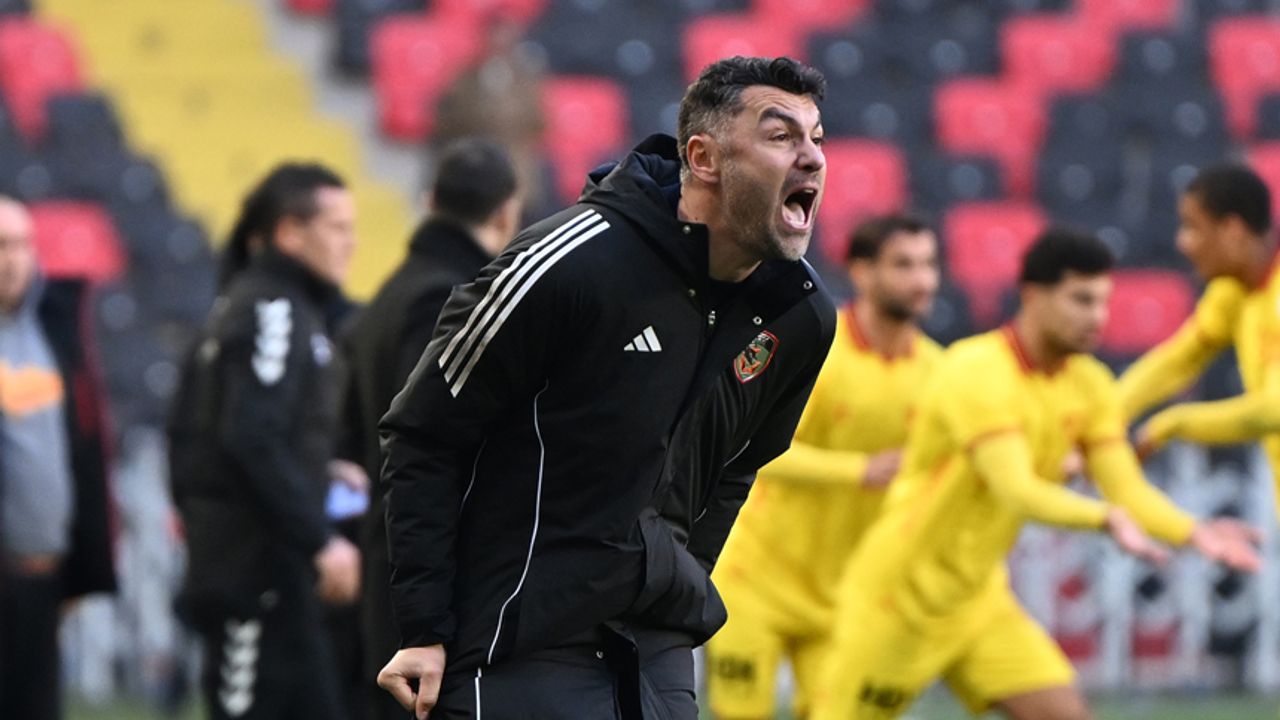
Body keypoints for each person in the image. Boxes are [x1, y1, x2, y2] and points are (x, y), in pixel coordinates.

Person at [376, 56, 836, 719]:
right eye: (780, 135)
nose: (812, 158)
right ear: (703, 158)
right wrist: (423, 626)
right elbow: (424, 436)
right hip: (519, 638)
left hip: (656, 646)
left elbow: (735, 468)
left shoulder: (800, 315)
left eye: (816, 138)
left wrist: (677, 572)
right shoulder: (566, 265)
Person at [809, 229, 1262, 720]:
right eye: (1081, 300)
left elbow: (1126, 488)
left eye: (1103, 302)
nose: (1097, 317)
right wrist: (1102, 518)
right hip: (896, 598)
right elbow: (1018, 490)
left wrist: (1192, 532)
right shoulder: (976, 370)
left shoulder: (1090, 385)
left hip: (978, 602)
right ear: (1032, 296)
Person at [706, 214, 942, 719]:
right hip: (757, 579)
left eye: (929, 265)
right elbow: (753, 448)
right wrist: (860, 471)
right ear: (862, 272)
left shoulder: (938, 373)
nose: (922, 280)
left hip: (844, 595)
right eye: (904, 265)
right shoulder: (817, 346)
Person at [167, 163, 362, 720]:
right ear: (289, 233)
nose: (350, 243)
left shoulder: (265, 305)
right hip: (254, 580)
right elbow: (248, 437)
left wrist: (319, 467)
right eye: (337, 227)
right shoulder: (271, 311)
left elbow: (226, 429)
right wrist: (320, 540)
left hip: (272, 578)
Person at [340, 137, 521, 720]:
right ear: (506, 213)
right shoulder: (450, 301)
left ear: (429, 201)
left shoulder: (391, 293)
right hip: (429, 586)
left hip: (391, 564)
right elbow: (429, 441)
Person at [0, 196, 115, 720]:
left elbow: (82, 449)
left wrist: (84, 561)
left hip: (45, 580)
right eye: (2, 246)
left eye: (22, 245)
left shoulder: (55, 330)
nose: (12, 259)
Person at [1117, 165, 1280, 517]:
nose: (1182, 242)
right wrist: (1106, 416)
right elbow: (1180, 359)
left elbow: (1275, 409)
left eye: (1193, 227)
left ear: (1232, 230)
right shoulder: (1235, 291)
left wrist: (1174, 424)